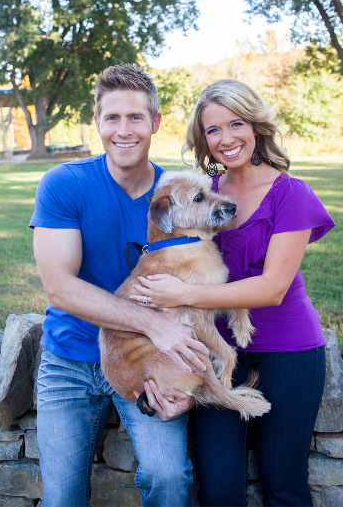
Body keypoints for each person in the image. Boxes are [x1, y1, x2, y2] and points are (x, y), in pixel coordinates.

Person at [131, 79, 335, 506]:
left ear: (255, 126)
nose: (225, 139)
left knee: (284, 486)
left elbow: (273, 288)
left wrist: (180, 294)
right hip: (214, 350)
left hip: (290, 351)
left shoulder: (291, 194)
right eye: (213, 130)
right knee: (220, 489)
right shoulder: (205, 193)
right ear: (202, 139)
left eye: (235, 123)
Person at [29, 63, 212, 507]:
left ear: (155, 122)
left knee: (170, 480)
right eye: (112, 118)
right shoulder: (64, 184)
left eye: (135, 117)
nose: (123, 130)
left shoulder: (179, 195)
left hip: (151, 363)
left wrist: (189, 384)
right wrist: (154, 323)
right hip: (69, 360)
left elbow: (201, 291)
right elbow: (60, 289)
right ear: (97, 122)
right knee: (61, 498)